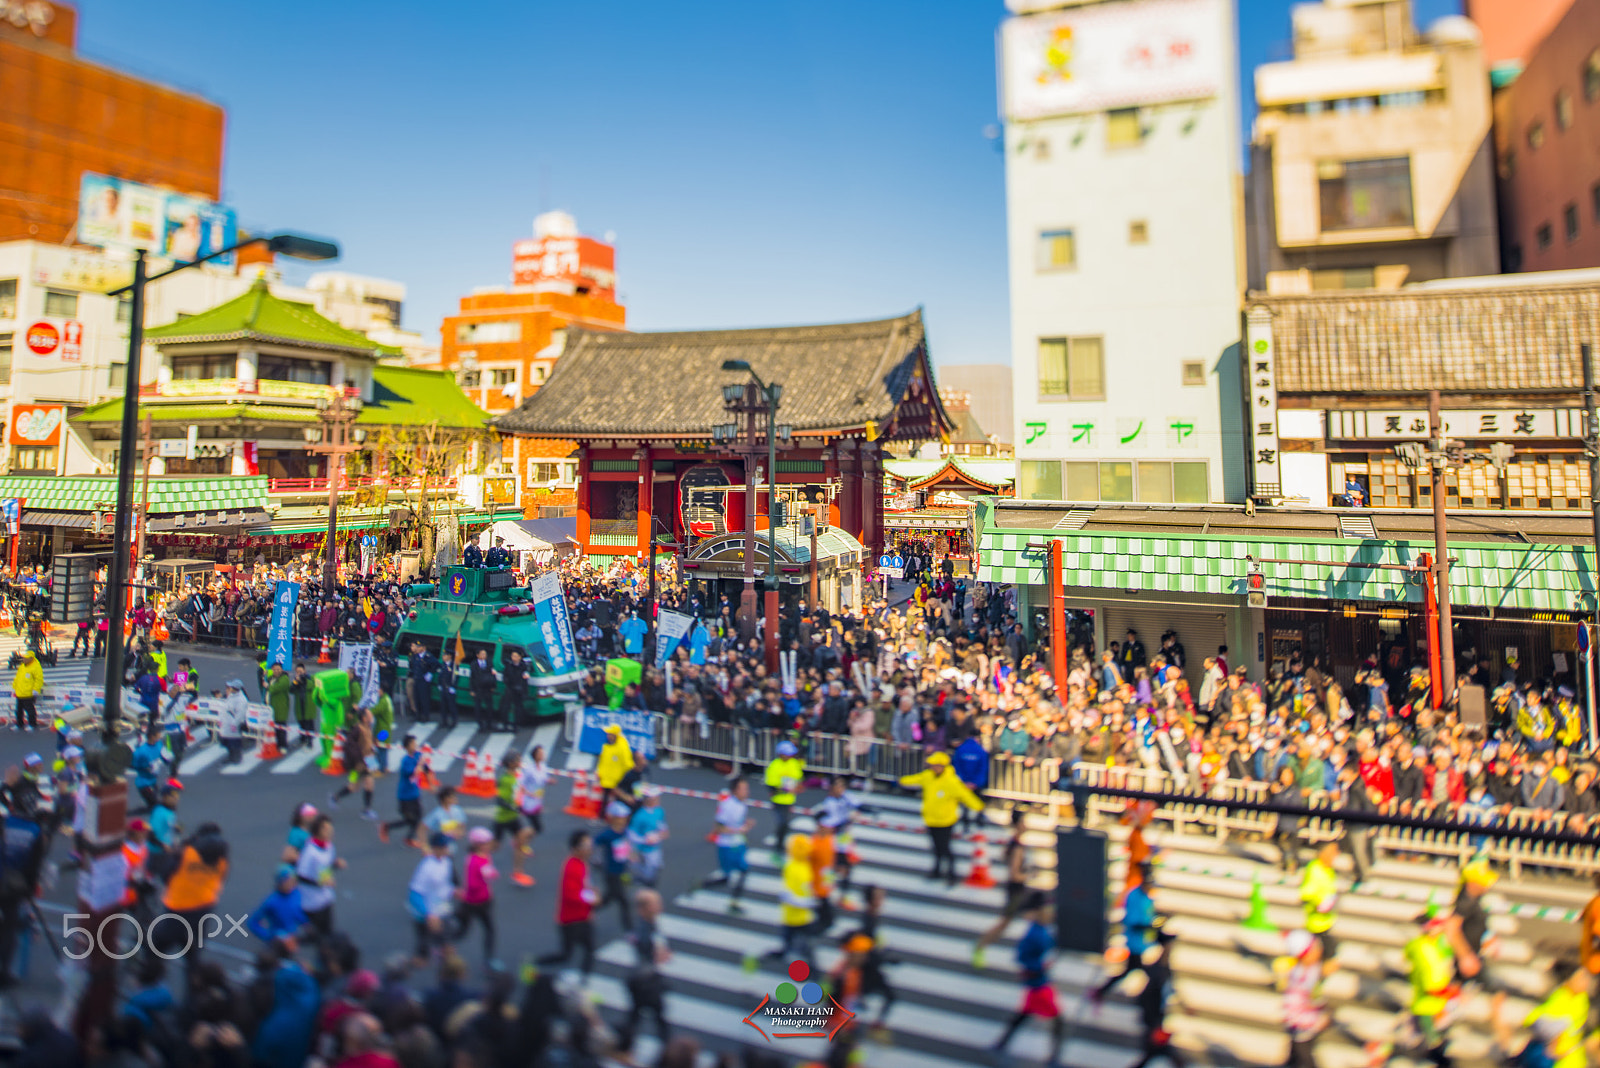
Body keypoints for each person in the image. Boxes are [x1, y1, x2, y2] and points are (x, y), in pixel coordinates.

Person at [991, 894, 1066, 1068]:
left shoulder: (1041, 928)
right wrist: (1039, 967)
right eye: (1047, 909)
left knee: (1023, 1015)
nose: (1050, 912)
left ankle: (1000, 1045)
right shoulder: (1033, 933)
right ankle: (1054, 1059)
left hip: (1038, 983)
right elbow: (1021, 957)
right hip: (1038, 985)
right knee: (1058, 1020)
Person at [899, 750, 984, 884]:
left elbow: (965, 795)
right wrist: (902, 781)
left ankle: (951, 873)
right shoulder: (928, 776)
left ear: (942, 766)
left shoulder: (951, 781)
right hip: (931, 819)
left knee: (945, 848)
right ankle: (937, 871)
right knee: (936, 848)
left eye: (935, 765)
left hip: (945, 821)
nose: (933, 767)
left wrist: (979, 807)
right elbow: (915, 779)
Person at [536, 830, 598, 978]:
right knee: (565, 955)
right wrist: (591, 899)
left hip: (582, 916)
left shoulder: (582, 864)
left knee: (589, 950)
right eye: (586, 846)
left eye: (590, 845)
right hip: (571, 919)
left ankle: (583, 981)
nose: (590, 849)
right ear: (575, 849)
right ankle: (535, 963)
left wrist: (591, 904)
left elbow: (584, 886)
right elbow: (571, 895)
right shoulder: (572, 867)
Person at [621, 887, 671, 1057]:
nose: (660, 906)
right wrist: (659, 954)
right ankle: (668, 1051)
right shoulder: (645, 929)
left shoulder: (648, 924)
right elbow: (651, 952)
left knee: (636, 1016)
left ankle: (625, 1046)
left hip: (639, 980)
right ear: (645, 908)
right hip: (647, 982)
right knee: (659, 1018)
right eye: (656, 903)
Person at [1281, 929, 1335, 1068]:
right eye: (1315, 949)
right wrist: (1318, 1019)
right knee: (1305, 1058)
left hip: (1307, 1025)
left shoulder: (1311, 968)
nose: (1319, 951)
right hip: (1302, 1026)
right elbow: (1294, 1008)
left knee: (1296, 1054)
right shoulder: (1300, 979)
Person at [702, 777, 754, 914]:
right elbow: (718, 828)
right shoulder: (727, 805)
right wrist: (738, 830)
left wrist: (745, 825)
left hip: (738, 844)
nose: (747, 792)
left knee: (742, 872)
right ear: (735, 790)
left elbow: (738, 822)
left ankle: (734, 902)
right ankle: (703, 885)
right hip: (727, 846)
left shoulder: (742, 804)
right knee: (730, 877)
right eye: (744, 789)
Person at [407, 833, 455, 965]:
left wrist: (454, 891)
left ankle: (445, 965)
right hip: (426, 914)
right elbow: (414, 894)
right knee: (423, 952)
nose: (447, 849)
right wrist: (428, 915)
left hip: (441, 909)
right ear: (435, 848)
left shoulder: (447, 862)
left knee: (447, 947)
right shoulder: (426, 867)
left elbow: (444, 885)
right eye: (444, 846)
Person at [296, 814, 345, 940]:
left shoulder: (329, 846)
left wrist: (335, 865)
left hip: (326, 899)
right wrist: (321, 883)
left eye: (331, 828)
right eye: (326, 829)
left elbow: (324, 869)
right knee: (316, 938)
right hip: (312, 903)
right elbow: (301, 876)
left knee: (327, 934)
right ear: (317, 831)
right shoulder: (310, 851)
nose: (330, 832)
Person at [490, 752, 536, 887]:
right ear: (510, 763)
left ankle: (518, 873)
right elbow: (500, 800)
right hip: (503, 819)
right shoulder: (505, 780)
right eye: (517, 760)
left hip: (514, 818)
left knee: (522, 842)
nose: (520, 762)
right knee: (495, 846)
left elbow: (518, 790)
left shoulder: (516, 776)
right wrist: (515, 808)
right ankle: (478, 860)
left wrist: (528, 796)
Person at [456, 827, 499, 960]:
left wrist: (490, 874)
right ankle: (442, 945)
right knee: (463, 931)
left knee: (489, 930)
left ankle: (489, 959)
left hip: (485, 900)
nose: (489, 845)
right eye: (486, 843)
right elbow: (472, 885)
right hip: (474, 902)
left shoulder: (485, 856)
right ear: (478, 844)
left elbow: (489, 873)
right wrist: (486, 876)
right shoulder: (474, 861)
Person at [594, 802, 635, 929]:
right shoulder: (607, 834)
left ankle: (588, 910)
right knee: (624, 901)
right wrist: (595, 860)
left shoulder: (625, 832)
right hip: (611, 872)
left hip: (622, 871)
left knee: (609, 898)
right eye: (622, 818)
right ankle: (629, 929)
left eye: (626, 817)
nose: (624, 820)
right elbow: (592, 844)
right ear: (614, 818)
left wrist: (631, 856)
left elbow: (626, 848)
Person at [379, 735, 423, 846]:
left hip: (415, 793)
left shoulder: (418, 755)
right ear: (407, 746)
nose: (416, 745)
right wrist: (420, 765)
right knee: (409, 819)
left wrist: (431, 783)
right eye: (413, 743)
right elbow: (412, 773)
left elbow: (425, 767)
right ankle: (387, 826)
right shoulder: (405, 761)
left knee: (418, 817)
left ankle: (409, 838)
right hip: (405, 796)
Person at [248, 863, 309, 943]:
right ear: (280, 882)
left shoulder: (296, 894)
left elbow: (296, 912)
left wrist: (306, 924)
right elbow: (253, 922)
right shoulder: (271, 902)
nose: (292, 884)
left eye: (293, 881)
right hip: (277, 942)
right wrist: (269, 937)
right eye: (288, 881)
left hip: (293, 940)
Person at [1300, 842, 1341, 957]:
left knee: (1328, 954)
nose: (1336, 855)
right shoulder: (1315, 869)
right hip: (1316, 923)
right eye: (1333, 852)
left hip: (1325, 921)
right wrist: (1320, 905)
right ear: (1323, 854)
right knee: (1327, 955)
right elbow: (1306, 894)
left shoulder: (1328, 869)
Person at [765, 739, 805, 850]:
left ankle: (780, 841)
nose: (790, 756)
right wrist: (788, 789)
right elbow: (772, 788)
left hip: (789, 800)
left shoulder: (794, 763)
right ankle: (779, 844)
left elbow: (798, 779)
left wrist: (798, 787)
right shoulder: (774, 766)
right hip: (778, 801)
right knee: (782, 822)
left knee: (786, 823)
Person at [627, 784, 669, 888]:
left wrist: (663, 832)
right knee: (643, 869)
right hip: (642, 848)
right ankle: (645, 881)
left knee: (654, 867)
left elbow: (661, 824)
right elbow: (631, 834)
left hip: (655, 847)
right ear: (648, 800)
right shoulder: (639, 816)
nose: (658, 800)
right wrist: (645, 840)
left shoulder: (659, 811)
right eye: (655, 798)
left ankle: (648, 880)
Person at [597, 723, 637, 811]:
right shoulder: (607, 745)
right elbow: (603, 760)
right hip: (607, 778)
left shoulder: (622, 747)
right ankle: (604, 816)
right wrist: (600, 772)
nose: (608, 736)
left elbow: (628, 764)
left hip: (616, 780)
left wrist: (624, 778)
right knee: (605, 799)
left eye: (610, 734)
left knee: (617, 801)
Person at [131, 725, 166, 812]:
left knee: (155, 805)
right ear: (152, 736)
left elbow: (163, 755)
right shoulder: (141, 751)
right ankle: (131, 813)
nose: (160, 736)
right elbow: (131, 764)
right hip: (144, 783)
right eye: (158, 735)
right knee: (156, 807)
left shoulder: (159, 744)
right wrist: (144, 768)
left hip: (153, 781)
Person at [219, 678, 249, 765]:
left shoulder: (241, 700)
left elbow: (240, 713)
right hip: (226, 723)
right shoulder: (231, 696)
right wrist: (221, 719)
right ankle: (231, 756)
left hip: (233, 724)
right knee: (227, 742)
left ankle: (236, 757)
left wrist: (235, 723)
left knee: (234, 742)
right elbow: (224, 708)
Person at [10, 649, 42, 731]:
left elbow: (39, 680)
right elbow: (18, 677)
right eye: (24, 658)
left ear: (31, 658)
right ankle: (19, 724)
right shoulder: (22, 666)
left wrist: (35, 689)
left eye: (26, 658)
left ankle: (32, 724)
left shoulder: (36, 667)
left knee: (30, 710)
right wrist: (15, 686)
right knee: (18, 710)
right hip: (20, 692)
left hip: (28, 693)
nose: (24, 659)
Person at [469, 648, 498, 732]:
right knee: (478, 707)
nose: (484, 656)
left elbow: (493, 675)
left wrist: (493, 686)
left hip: (487, 688)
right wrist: (472, 689)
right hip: (478, 688)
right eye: (482, 654)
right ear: (477, 655)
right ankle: (480, 725)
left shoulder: (489, 663)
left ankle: (489, 724)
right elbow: (472, 678)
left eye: (485, 654)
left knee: (489, 706)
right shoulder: (474, 664)